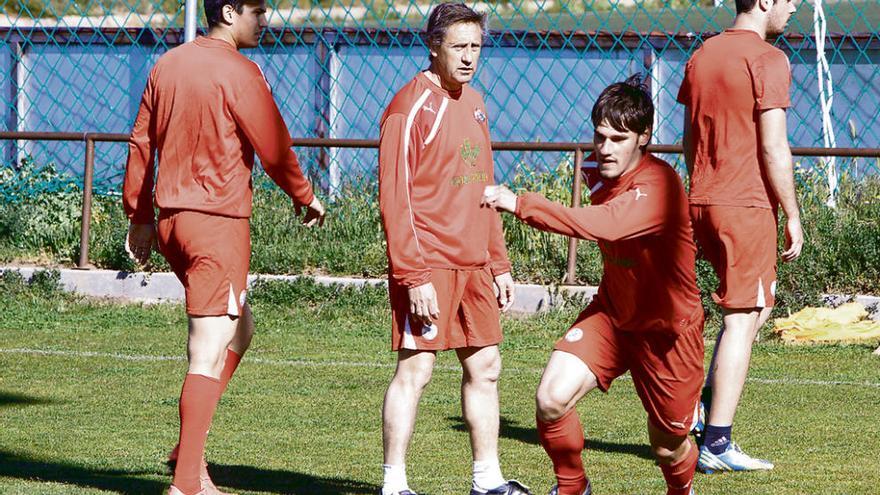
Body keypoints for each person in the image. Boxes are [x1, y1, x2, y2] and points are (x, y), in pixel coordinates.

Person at [122, 1, 325, 493]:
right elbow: (274, 144)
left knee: (239, 330)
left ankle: (185, 449)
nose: (265, 19)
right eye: (257, 9)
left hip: (173, 222)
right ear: (228, 12)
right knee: (208, 349)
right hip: (216, 224)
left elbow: (141, 143)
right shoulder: (241, 71)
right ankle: (188, 481)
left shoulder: (167, 64)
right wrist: (305, 194)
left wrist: (141, 215)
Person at [482, 75, 704, 495]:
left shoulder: (660, 185)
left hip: (667, 333)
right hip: (615, 316)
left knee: (668, 444)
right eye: (599, 136)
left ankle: (682, 490)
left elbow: (599, 224)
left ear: (644, 138)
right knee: (551, 398)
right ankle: (573, 487)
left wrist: (520, 202)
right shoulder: (596, 173)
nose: (604, 149)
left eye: (619, 138)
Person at [376, 3, 529, 495]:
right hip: (430, 263)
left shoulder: (475, 100)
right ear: (434, 46)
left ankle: (487, 481)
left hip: (475, 265)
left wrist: (499, 262)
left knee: (486, 366)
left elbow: (483, 185)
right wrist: (413, 275)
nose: (468, 58)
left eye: (475, 47)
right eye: (458, 47)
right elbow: (394, 200)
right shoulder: (410, 106)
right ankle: (393, 484)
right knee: (416, 369)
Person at [677, 0, 802, 473]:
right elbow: (774, 145)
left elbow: (690, 138)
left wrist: (702, 184)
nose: (794, 8)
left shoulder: (703, 54)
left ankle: (705, 407)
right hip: (745, 203)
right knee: (743, 315)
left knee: (756, 306)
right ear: (766, 1)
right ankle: (716, 440)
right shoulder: (769, 59)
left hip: (703, 199)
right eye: (789, 0)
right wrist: (792, 212)